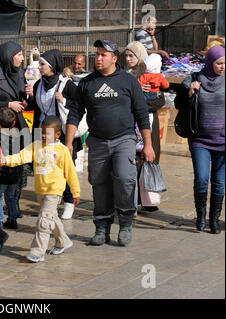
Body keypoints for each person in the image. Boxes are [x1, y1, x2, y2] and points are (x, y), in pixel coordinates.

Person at [65, 40, 155, 246]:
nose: (98, 58)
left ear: (114, 58)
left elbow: (142, 114)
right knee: (99, 184)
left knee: (125, 178)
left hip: (124, 139)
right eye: (97, 54)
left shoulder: (128, 81)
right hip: (97, 141)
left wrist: (148, 145)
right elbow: (75, 113)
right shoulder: (87, 83)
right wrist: (69, 143)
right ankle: (101, 227)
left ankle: (125, 223)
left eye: (103, 54)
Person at [0, 116, 80, 263]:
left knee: (43, 221)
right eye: (41, 132)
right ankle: (63, 241)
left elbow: (71, 173)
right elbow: (21, 157)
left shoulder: (62, 150)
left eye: (47, 133)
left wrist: (76, 192)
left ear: (57, 134)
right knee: (51, 218)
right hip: (40, 190)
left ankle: (37, 252)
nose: (43, 136)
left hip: (54, 191)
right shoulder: (36, 145)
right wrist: (6, 160)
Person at [25, 49, 82, 220]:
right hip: (42, 133)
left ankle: (69, 202)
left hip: (61, 133)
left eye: (42, 65)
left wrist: (63, 100)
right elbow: (34, 107)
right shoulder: (38, 84)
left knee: (64, 168)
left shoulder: (66, 85)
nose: (39, 68)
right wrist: (27, 97)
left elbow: (79, 105)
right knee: (44, 168)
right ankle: (48, 203)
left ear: (52, 66)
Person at [0, 41, 33, 222]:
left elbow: (24, 99)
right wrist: (8, 104)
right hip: (1, 128)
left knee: (18, 169)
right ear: (9, 56)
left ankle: (14, 208)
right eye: (19, 55)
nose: (22, 58)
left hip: (18, 126)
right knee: (1, 167)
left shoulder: (21, 74)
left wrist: (28, 96)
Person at [181, 45, 225, 234]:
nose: (223, 66)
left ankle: (214, 219)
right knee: (201, 178)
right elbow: (179, 103)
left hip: (223, 141)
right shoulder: (194, 78)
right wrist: (190, 93)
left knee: (219, 182)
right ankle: (200, 216)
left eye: (225, 63)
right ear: (209, 62)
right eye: (219, 63)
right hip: (200, 140)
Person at [124, 41, 166, 213]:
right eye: (126, 56)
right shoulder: (123, 76)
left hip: (148, 124)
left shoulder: (151, 73)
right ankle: (133, 199)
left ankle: (148, 198)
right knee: (131, 161)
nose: (128, 59)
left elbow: (160, 100)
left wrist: (140, 102)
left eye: (131, 55)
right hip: (128, 124)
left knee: (149, 158)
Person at [0, 107, 22, 229]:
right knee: (10, 196)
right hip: (15, 174)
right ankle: (12, 218)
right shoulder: (18, 137)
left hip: (1, 174)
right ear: (13, 123)